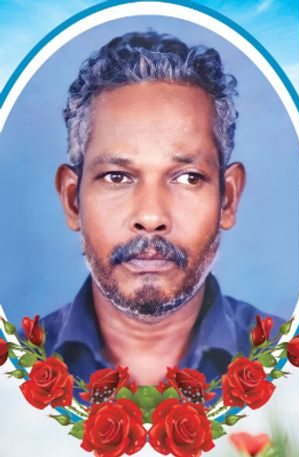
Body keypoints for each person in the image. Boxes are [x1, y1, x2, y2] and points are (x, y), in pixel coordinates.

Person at [44, 31, 283, 386]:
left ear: (228, 198)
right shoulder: (16, 362)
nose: (151, 217)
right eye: (116, 177)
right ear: (72, 200)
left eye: (188, 178)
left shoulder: (285, 357)